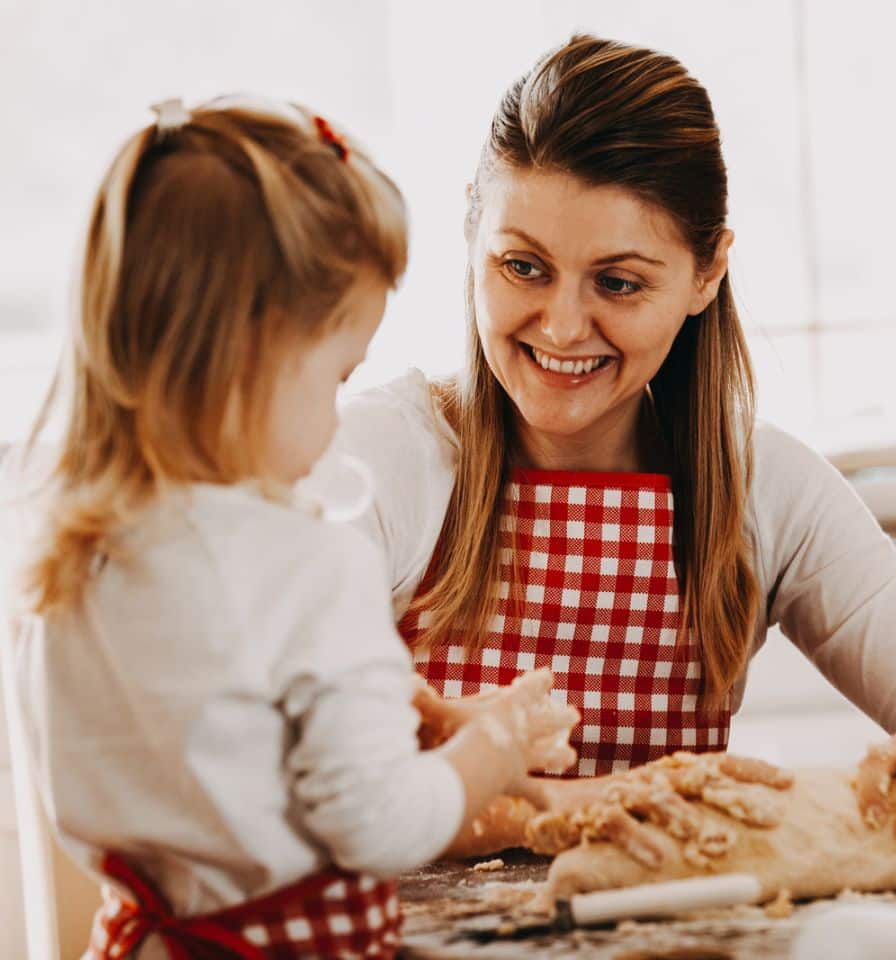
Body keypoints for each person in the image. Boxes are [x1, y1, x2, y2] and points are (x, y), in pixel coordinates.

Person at [339, 34, 896, 853]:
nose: (563, 325)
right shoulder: (378, 460)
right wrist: (605, 802)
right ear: (474, 231)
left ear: (707, 271)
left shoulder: (765, 486)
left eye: (618, 282)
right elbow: (318, 780)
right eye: (523, 267)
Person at [8, 96, 576, 959]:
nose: (338, 410)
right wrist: (492, 752)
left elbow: (217, 744)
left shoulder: (73, 557)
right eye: (338, 372)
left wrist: (402, 711)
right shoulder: (308, 563)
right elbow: (379, 827)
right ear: (251, 356)